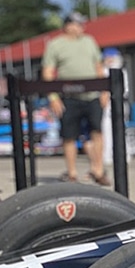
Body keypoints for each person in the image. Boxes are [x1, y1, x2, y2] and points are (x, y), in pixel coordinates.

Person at [41, 12, 110, 186]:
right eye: (77, 24)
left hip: (92, 95)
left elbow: (98, 66)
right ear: (68, 25)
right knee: (69, 135)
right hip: (68, 97)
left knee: (97, 132)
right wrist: (53, 97)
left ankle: (98, 169)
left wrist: (104, 91)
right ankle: (72, 172)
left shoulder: (89, 41)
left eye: (81, 24)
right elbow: (48, 72)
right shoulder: (55, 45)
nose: (80, 27)